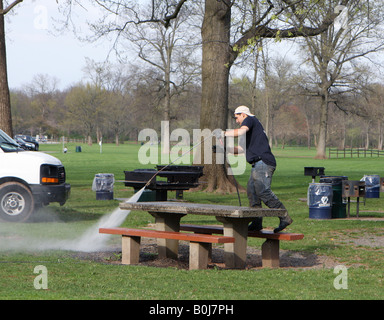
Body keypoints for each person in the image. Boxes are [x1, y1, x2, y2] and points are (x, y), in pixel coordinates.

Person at [220, 105, 293, 233]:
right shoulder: (250, 130)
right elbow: (241, 150)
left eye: (237, 118)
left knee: (263, 191)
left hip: (263, 162)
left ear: (243, 114)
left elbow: (240, 131)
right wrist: (224, 149)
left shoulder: (250, 119)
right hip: (257, 164)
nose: (236, 121)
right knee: (252, 192)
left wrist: (224, 133)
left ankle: (284, 217)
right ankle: (256, 222)